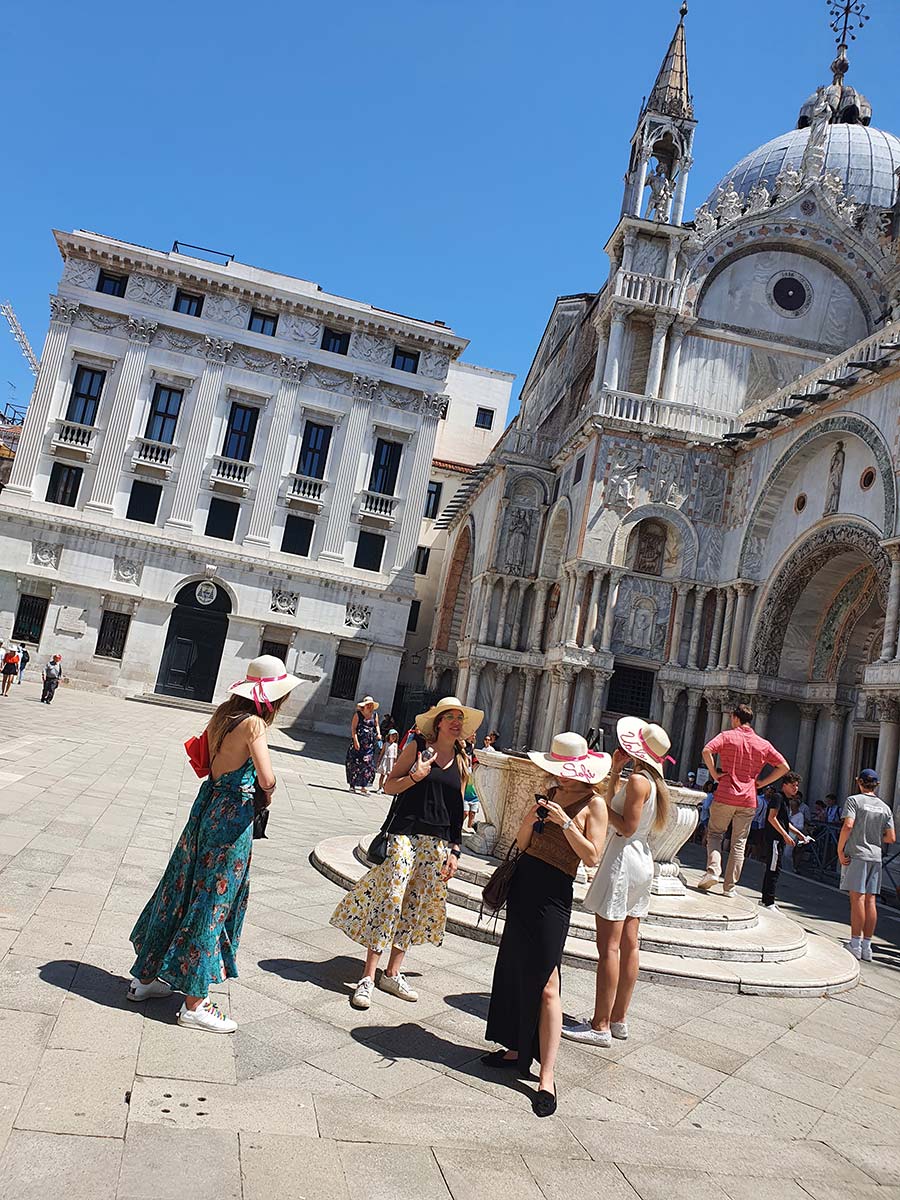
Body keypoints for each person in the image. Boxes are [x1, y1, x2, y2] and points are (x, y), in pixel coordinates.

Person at [128, 654, 300, 1031]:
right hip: (232, 814)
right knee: (214, 898)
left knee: (182, 885)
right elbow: (267, 779)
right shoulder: (254, 724)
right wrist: (266, 793)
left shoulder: (224, 714)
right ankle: (194, 1003)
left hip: (207, 804)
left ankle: (146, 978)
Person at [483, 732, 610, 1117]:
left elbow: (592, 857)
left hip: (555, 894)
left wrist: (566, 823)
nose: (560, 777)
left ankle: (547, 1076)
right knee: (514, 967)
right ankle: (515, 1047)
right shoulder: (549, 795)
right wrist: (531, 817)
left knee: (548, 982)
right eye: (557, 771)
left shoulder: (595, 803)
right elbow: (521, 842)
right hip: (524, 884)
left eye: (565, 771)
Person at [331, 695, 482, 1010]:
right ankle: (368, 977)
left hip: (438, 842)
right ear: (438, 722)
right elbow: (389, 786)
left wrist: (456, 851)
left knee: (415, 904)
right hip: (406, 832)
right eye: (450, 716)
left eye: (460, 718)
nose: (456, 722)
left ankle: (393, 972)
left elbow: (457, 814)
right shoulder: (418, 747)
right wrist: (415, 776)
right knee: (393, 896)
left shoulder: (463, 760)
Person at [563, 719, 672, 1050]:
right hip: (642, 861)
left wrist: (599, 810)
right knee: (629, 943)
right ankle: (619, 1018)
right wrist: (612, 776)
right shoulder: (651, 782)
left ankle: (600, 1025)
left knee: (608, 947)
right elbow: (621, 813)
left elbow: (625, 826)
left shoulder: (640, 781)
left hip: (624, 859)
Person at [698, 703, 790, 896]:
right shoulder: (762, 744)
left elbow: (707, 750)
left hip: (725, 793)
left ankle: (713, 870)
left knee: (715, 834)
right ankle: (730, 887)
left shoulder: (727, 736)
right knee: (739, 842)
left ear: (736, 718)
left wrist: (714, 773)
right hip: (748, 798)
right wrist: (763, 783)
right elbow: (784, 767)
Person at [838, 768, 896, 961]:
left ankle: (855, 943)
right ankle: (867, 946)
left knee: (857, 900)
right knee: (871, 900)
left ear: (859, 782)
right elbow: (891, 837)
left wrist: (840, 849)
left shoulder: (854, 800)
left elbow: (848, 825)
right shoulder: (885, 807)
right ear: (877, 785)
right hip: (876, 856)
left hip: (858, 854)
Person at [760, 772, 811, 907]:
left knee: (775, 868)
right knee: (773, 868)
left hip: (779, 839)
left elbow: (784, 821)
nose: (796, 788)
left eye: (797, 786)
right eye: (793, 785)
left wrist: (798, 833)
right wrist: (785, 835)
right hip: (774, 839)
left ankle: (767, 899)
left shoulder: (786, 801)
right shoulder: (777, 797)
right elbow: (772, 817)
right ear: (785, 785)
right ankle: (768, 900)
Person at [346, 696, 381, 794]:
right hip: (358, 743)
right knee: (355, 764)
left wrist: (378, 733)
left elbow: (376, 725)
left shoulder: (374, 715)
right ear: (364, 706)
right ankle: (352, 785)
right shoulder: (358, 715)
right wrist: (355, 741)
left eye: (371, 705)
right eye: (368, 705)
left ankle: (363, 786)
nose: (370, 706)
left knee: (368, 765)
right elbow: (353, 728)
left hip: (369, 744)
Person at [375, 729, 400, 793]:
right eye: (392, 736)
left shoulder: (395, 745)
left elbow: (395, 755)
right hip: (385, 760)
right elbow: (382, 753)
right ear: (389, 736)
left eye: (395, 736)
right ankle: (380, 787)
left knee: (389, 776)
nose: (393, 737)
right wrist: (379, 761)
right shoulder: (386, 744)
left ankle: (384, 786)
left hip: (391, 761)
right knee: (382, 775)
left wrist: (395, 762)